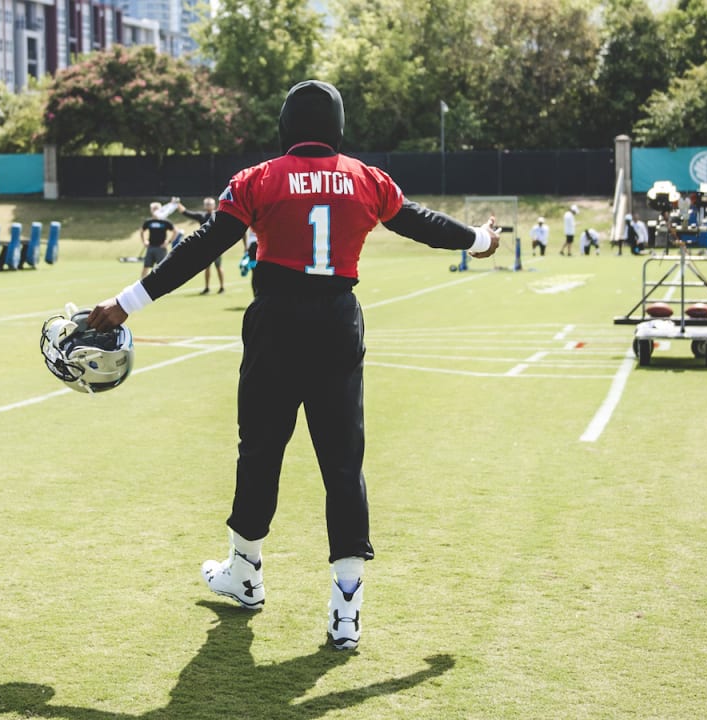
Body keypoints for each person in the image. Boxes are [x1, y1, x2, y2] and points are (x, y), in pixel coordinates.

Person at [83, 80, 498, 651]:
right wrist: (477, 238)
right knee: (342, 463)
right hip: (336, 323)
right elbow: (420, 222)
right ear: (338, 126)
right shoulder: (366, 177)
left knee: (259, 449)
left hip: (275, 323)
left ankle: (245, 572)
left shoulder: (258, 178)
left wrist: (126, 301)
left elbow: (204, 246)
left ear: (286, 125)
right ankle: (345, 610)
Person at [182, 197, 225, 294]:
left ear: (214, 205)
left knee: (218, 267)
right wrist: (176, 204)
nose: (208, 206)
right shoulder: (202, 216)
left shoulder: (219, 215)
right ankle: (207, 288)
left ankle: (222, 287)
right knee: (207, 267)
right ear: (204, 205)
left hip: (217, 246)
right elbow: (186, 212)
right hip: (206, 247)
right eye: (207, 204)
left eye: (210, 204)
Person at [140, 202, 178, 279]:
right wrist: (144, 241)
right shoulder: (149, 221)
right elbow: (142, 231)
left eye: (156, 209)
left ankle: (164, 282)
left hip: (161, 248)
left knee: (162, 267)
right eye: (153, 209)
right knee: (146, 266)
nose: (154, 211)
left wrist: (168, 242)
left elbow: (175, 231)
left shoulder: (165, 221)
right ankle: (142, 283)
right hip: (150, 247)